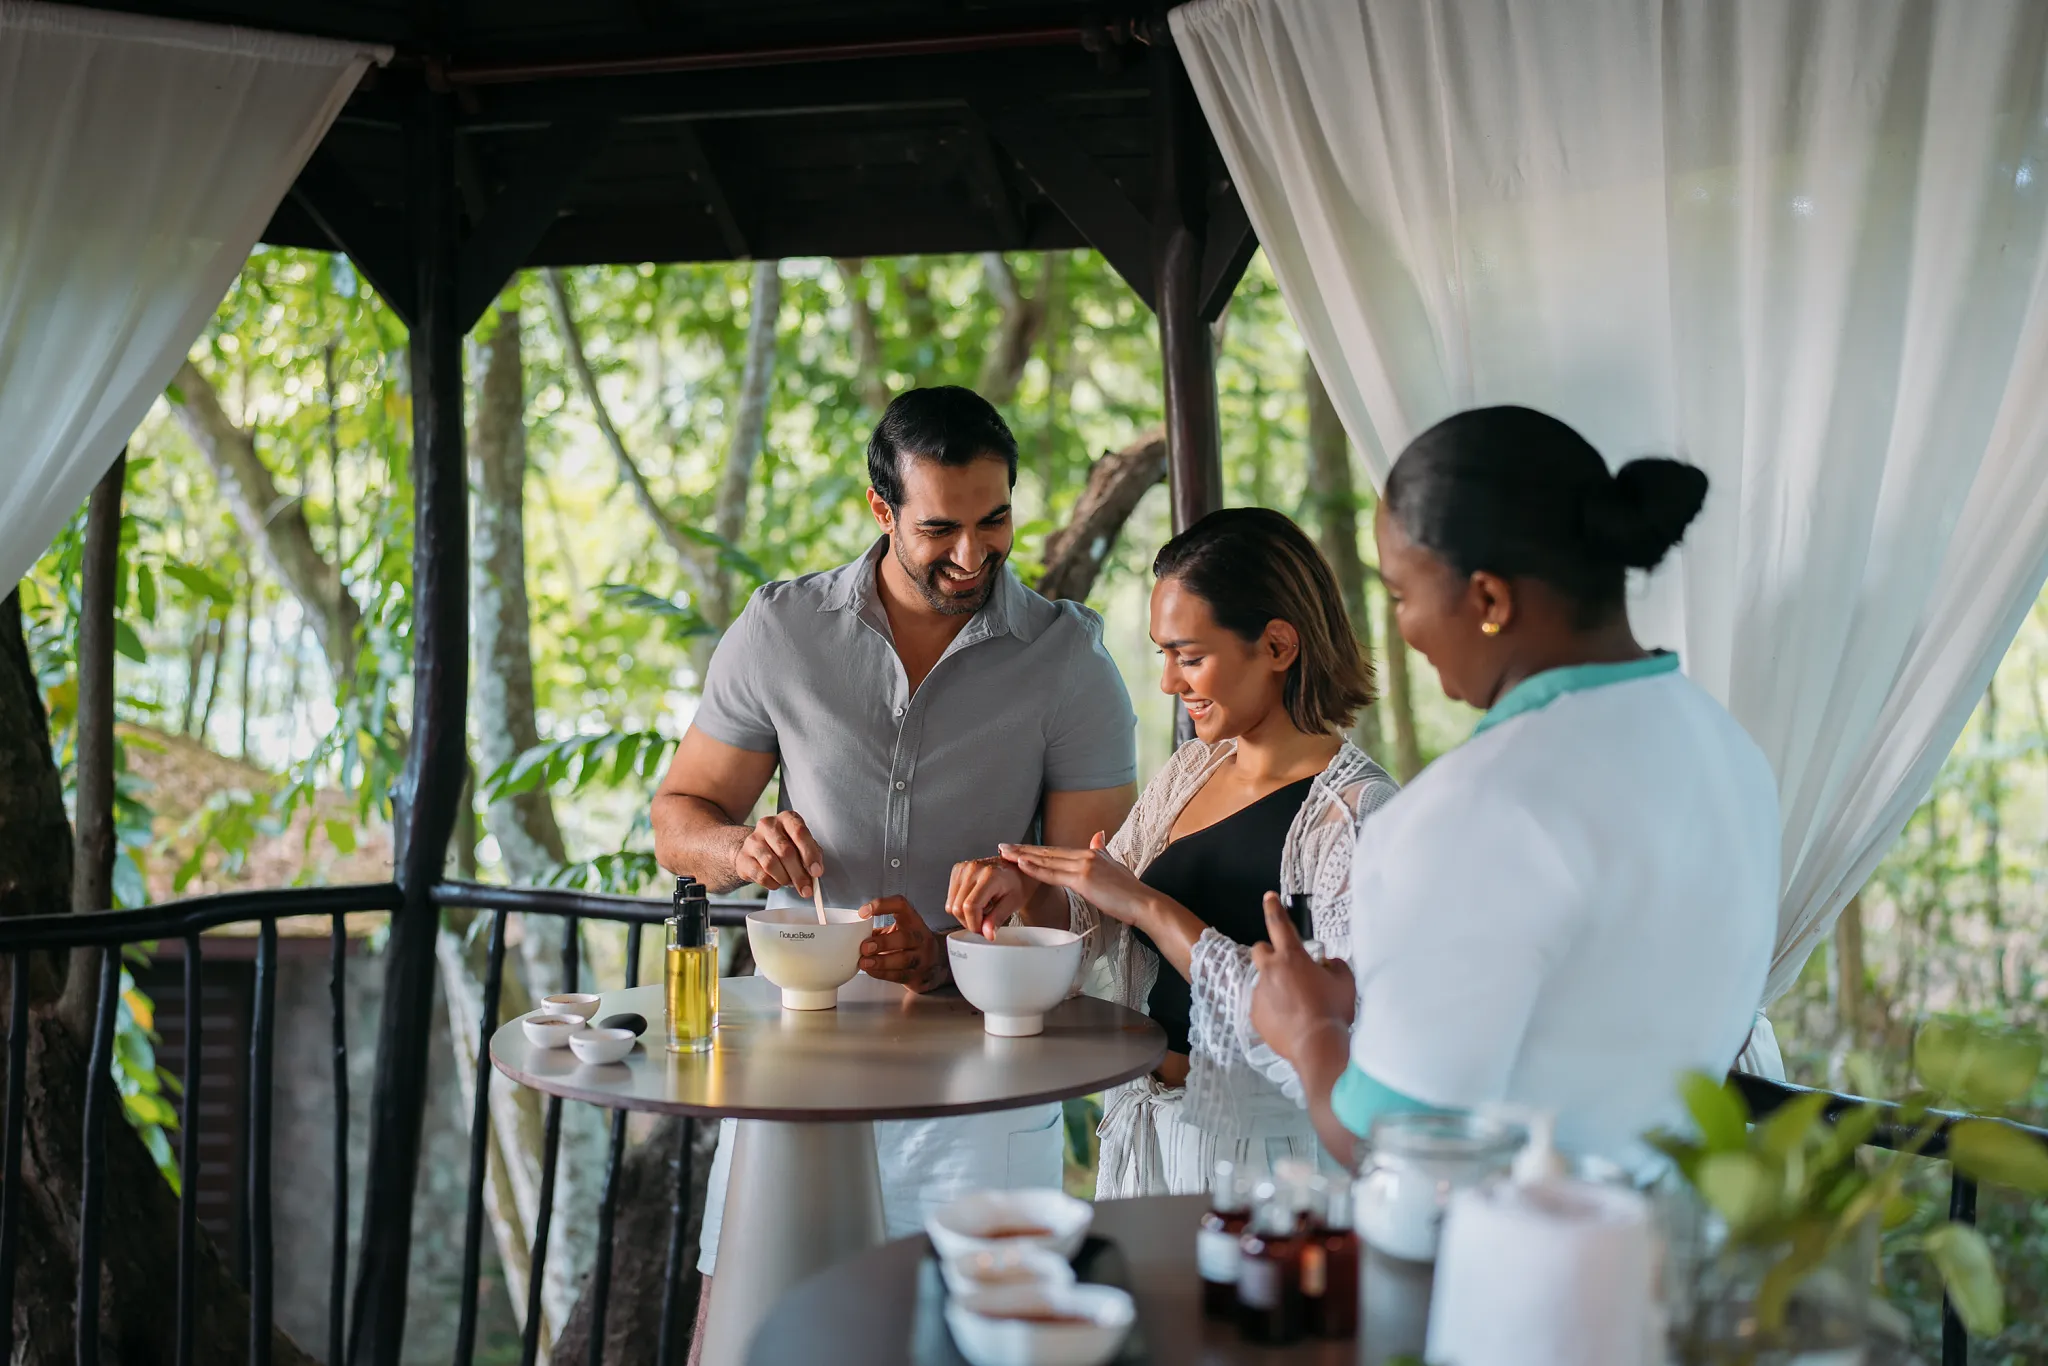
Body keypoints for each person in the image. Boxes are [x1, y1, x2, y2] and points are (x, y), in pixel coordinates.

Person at [651, 386, 1138, 1342]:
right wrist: (737, 846)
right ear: (882, 512)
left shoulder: (1069, 661)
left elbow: (1095, 891)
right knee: (755, 1335)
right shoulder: (781, 632)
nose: (973, 554)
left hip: (987, 1080)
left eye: (995, 518)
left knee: (974, 1348)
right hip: (800, 1065)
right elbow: (678, 817)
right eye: (939, 529)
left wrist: (953, 952)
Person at [1249, 405, 1777, 1174]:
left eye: (1399, 595)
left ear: (1489, 600)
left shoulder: (1472, 811)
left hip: (1533, 1277)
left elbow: (1394, 1149)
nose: (1401, 627)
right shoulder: (1731, 752)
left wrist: (1310, 1031)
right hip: (1700, 1256)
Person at [983, 508, 1398, 1196]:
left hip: (1268, 1171)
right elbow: (1101, 925)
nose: (1171, 683)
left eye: (1191, 656)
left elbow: (1337, 1032)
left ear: (1277, 645)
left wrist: (1150, 906)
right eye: (1164, 655)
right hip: (1143, 1139)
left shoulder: (1357, 816)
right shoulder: (1188, 773)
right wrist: (1026, 891)